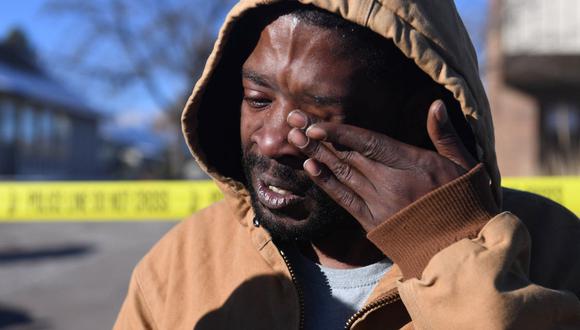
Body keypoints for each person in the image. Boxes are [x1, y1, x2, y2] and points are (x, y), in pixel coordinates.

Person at [114, 1, 580, 329]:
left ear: (421, 121)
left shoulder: (555, 250)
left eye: (314, 115)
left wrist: (455, 254)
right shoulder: (180, 265)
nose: (273, 140)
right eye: (257, 99)